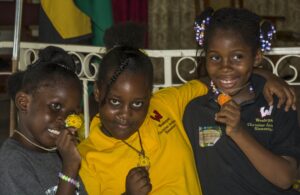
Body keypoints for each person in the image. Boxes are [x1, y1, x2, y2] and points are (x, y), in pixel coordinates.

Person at [78, 23, 297, 194]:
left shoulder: (166, 103)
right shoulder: (87, 158)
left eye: (138, 103)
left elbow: (218, 77)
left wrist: (264, 74)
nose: (125, 114)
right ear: (97, 93)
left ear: (149, 96)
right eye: (115, 101)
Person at [183, 7, 300, 195]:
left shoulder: (278, 102)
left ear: (256, 57)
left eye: (238, 56)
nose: (226, 67)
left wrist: (238, 132)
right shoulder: (194, 109)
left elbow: (286, 178)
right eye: (215, 57)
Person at [0, 46, 87, 194]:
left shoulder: (59, 153)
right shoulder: (12, 162)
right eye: (55, 106)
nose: (64, 120)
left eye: (71, 113)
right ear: (24, 102)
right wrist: (70, 168)